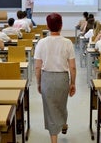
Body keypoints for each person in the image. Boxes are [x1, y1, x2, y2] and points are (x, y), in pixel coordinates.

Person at [34, 13, 76, 143]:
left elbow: (37, 67)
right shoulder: (68, 42)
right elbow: (72, 67)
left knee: (50, 108)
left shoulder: (41, 43)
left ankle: (54, 140)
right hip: (62, 78)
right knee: (62, 104)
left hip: (47, 77)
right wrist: (73, 83)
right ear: (61, 25)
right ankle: (63, 124)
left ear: (47, 26)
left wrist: (38, 82)